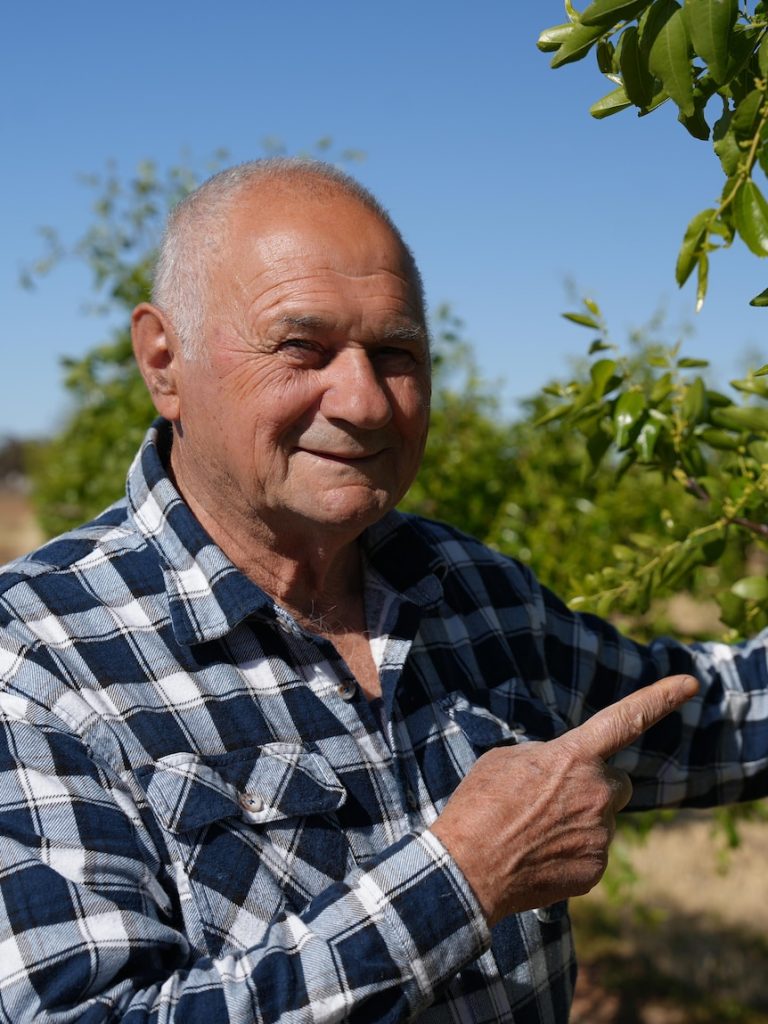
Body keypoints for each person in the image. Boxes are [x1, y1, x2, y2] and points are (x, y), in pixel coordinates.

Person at [0, 158, 765, 1024]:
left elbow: (705, 720)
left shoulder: (471, 591)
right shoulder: (36, 661)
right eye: (303, 347)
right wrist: (461, 878)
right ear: (163, 361)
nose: (365, 402)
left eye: (396, 352)